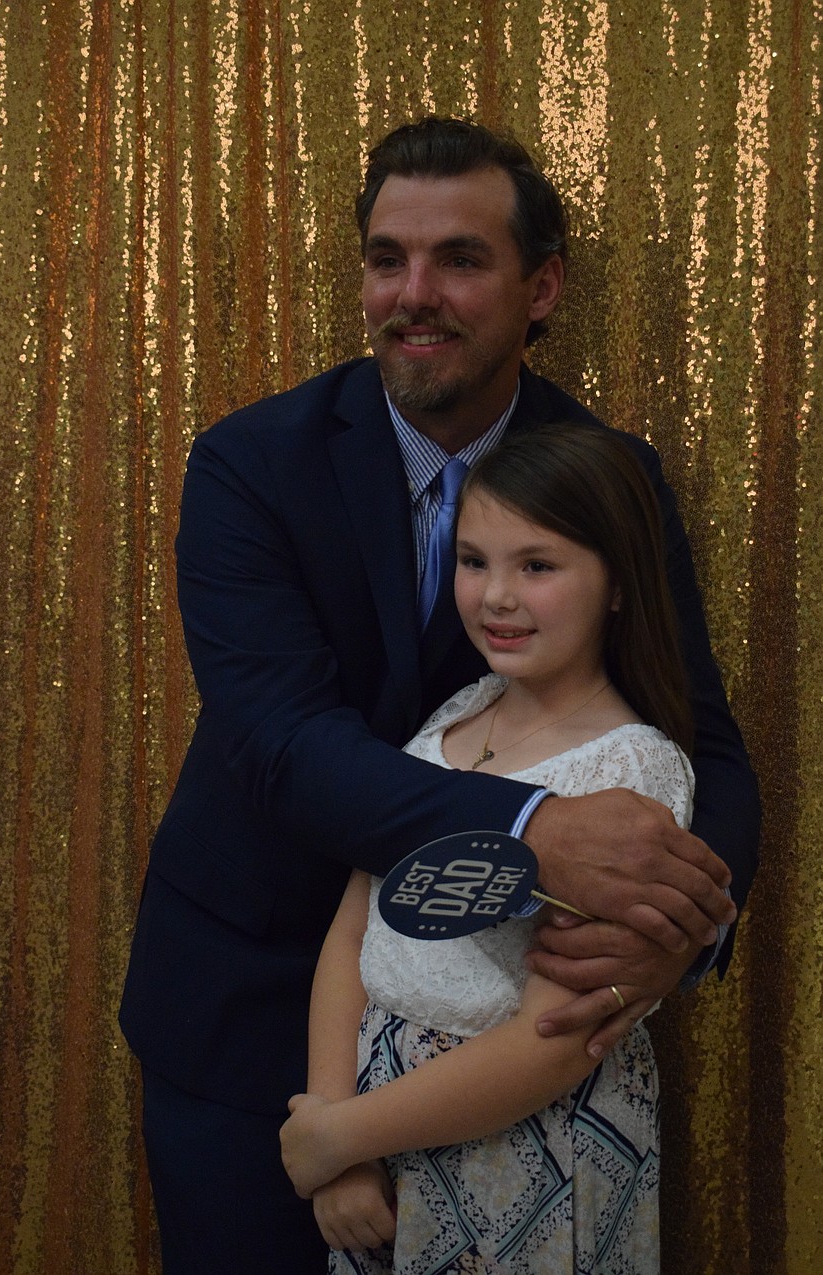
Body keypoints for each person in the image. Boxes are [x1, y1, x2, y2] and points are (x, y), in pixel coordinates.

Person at [119, 116, 758, 1272]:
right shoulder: (249, 463)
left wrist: (676, 937)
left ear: (540, 284)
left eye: (460, 258)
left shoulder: (610, 475)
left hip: (502, 1058)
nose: (413, 295)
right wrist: (531, 833)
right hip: (248, 1013)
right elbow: (281, 744)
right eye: (385, 259)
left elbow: (700, 738)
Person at [279, 423, 697, 1272]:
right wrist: (335, 1125)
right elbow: (355, 931)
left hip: (524, 1147)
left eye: (536, 566)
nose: (496, 596)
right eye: (474, 561)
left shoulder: (631, 772)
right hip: (378, 1129)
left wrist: (336, 1135)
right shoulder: (453, 717)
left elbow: (557, 1034)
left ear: (617, 584)